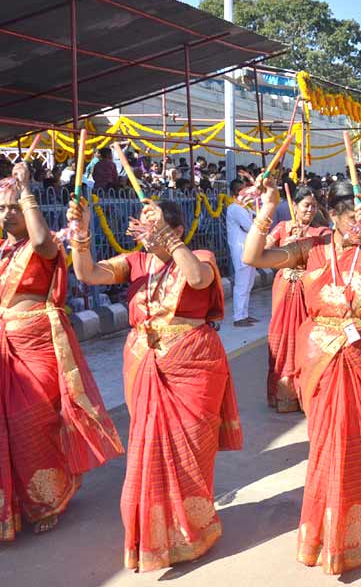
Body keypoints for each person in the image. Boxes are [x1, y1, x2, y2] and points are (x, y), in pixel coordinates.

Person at [242, 177, 361, 574]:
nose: (357, 224)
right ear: (332, 216)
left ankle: (355, 536)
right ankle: (321, 531)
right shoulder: (310, 250)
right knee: (325, 446)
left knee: (357, 444)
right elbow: (254, 257)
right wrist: (265, 212)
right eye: (349, 217)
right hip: (320, 360)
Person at [67, 196, 242, 570]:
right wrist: (80, 234)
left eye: (157, 223)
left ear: (177, 230)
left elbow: (198, 279)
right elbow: (88, 273)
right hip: (144, 362)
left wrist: (173, 242)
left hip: (194, 365)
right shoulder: (134, 263)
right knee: (148, 447)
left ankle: (193, 531)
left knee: (191, 448)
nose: (147, 229)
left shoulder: (203, 257)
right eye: (145, 222)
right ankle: (154, 532)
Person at [0, 165, 122, 540]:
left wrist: (27, 191)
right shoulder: (3, 251)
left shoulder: (45, 245)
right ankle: (17, 502)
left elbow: (39, 243)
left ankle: (47, 498)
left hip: (38, 345)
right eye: (1, 208)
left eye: (13, 208)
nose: (6, 215)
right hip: (6, 347)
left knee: (33, 419)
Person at [263, 187, 329, 413]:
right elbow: (261, 251)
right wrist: (287, 245)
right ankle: (283, 395)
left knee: (306, 339)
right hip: (284, 286)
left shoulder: (322, 232)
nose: (310, 210)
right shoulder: (283, 227)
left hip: (308, 287)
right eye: (306, 206)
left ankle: (306, 393)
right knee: (282, 338)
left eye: (313, 206)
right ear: (295, 207)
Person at [226, 179, 258, 327]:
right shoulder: (235, 208)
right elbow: (250, 227)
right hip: (241, 251)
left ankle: (244, 314)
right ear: (234, 194)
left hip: (249, 249)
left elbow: (258, 216)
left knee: (249, 283)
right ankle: (239, 317)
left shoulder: (245, 208)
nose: (245, 193)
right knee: (242, 284)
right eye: (241, 191)